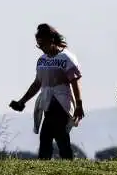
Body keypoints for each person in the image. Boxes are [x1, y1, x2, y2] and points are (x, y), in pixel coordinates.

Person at [9, 23, 84, 159]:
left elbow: (75, 81)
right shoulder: (42, 60)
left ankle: (60, 163)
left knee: (53, 134)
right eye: (39, 45)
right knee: (50, 136)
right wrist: (22, 101)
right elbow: (38, 83)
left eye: (43, 44)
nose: (41, 48)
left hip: (61, 102)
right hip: (47, 102)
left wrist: (79, 104)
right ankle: (54, 163)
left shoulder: (66, 58)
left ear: (51, 40)